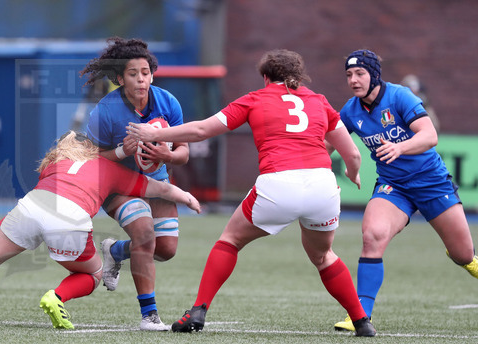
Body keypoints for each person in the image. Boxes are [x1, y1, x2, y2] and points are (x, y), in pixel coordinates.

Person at [127, 49, 376, 336]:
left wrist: (153, 134)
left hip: (278, 183)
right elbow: (353, 156)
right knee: (324, 256)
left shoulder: (255, 99)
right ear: (297, 76)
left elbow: (200, 131)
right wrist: (353, 174)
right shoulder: (319, 101)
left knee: (230, 241)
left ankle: (198, 311)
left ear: (266, 77)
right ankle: (361, 321)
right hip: (322, 186)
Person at [0, 131, 201, 328]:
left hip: (31, 205)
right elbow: (160, 190)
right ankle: (56, 296)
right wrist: (186, 196)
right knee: (92, 275)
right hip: (70, 216)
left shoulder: (54, 165)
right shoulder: (108, 168)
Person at [332, 49, 478, 332]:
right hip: (393, 186)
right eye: (349, 74)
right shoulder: (350, 110)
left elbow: (429, 135)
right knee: (372, 235)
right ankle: (360, 316)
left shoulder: (400, 96)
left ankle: (467, 257)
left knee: (462, 254)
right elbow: (327, 145)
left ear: (374, 75)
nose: (353, 80)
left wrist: (399, 146)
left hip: (431, 182)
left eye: (360, 73)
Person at [80, 37, 190, 330]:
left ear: (152, 74)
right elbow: (88, 158)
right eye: (133, 73)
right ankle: (149, 316)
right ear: (120, 78)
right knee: (144, 233)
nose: (141, 79)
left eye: (145, 72)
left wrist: (169, 153)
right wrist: (121, 151)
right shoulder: (105, 110)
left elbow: (184, 152)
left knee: (166, 249)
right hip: (117, 187)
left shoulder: (168, 103)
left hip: (158, 182)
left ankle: (115, 251)